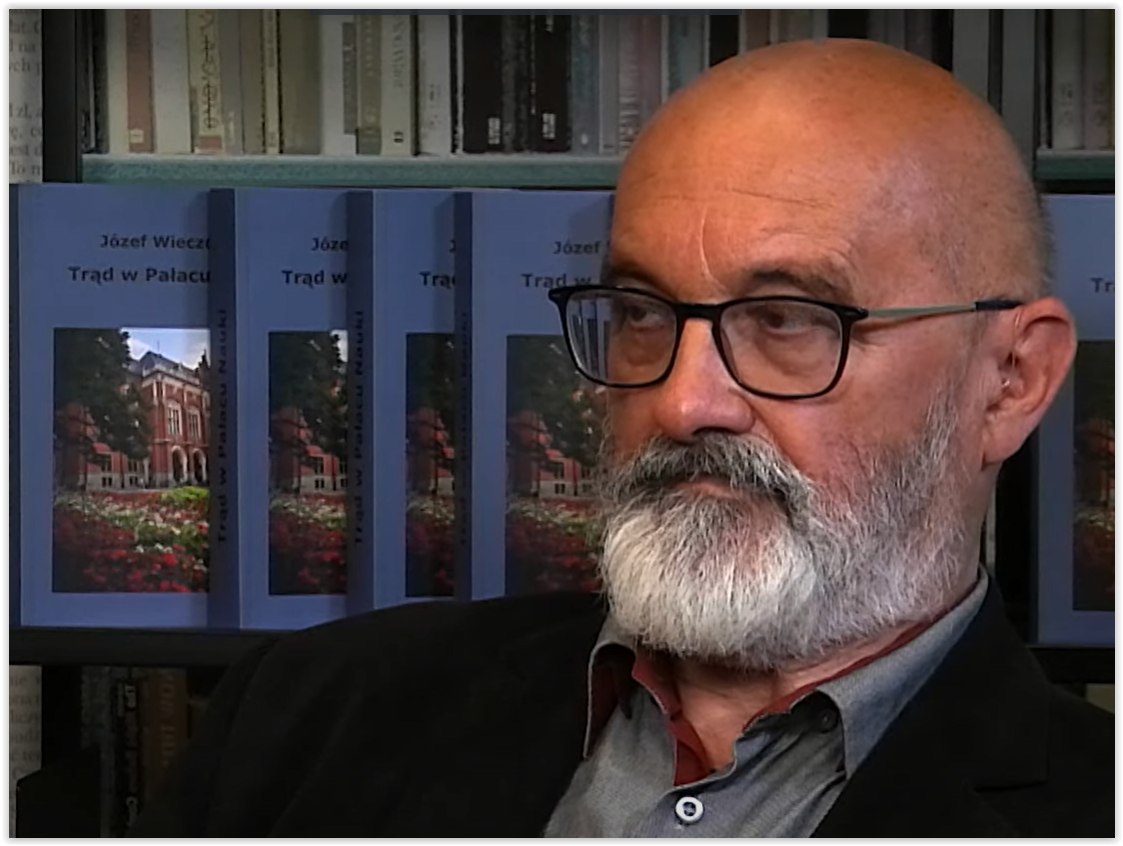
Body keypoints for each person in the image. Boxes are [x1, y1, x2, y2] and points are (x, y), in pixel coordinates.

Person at [130, 38, 1114, 838]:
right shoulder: (309, 713)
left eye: (788, 320)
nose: (684, 404)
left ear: (1010, 380)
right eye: (641, 311)